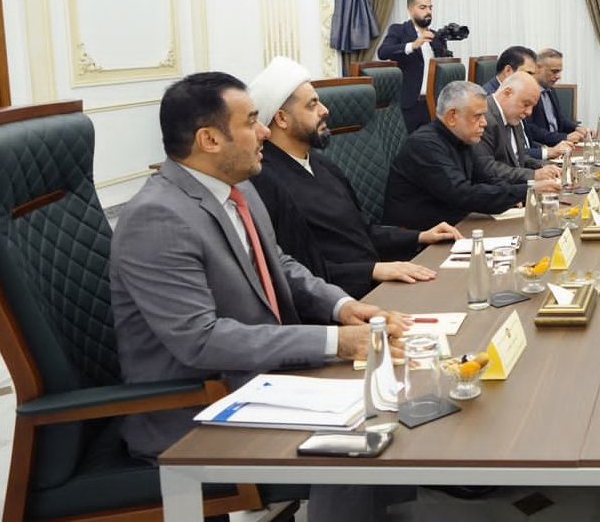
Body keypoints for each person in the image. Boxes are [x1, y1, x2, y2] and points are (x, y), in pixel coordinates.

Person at [109, 72, 408, 521]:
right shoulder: (157, 217)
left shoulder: (239, 188)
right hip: (197, 406)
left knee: (389, 393)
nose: (266, 131)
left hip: (257, 378)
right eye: (251, 121)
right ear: (210, 139)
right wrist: (334, 342)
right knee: (356, 437)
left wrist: (342, 306)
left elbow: (279, 263)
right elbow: (201, 340)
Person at [247, 57, 460, 300]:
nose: (325, 110)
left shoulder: (322, 164)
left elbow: (363, 231)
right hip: (339, 301)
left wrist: (421, 236)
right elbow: (297, 271)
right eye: (312, 105)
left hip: (376, 283)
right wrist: (373, 271)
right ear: (282, 119)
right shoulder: (265, 182)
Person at [383, 80, 546, 230]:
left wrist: (513, 196)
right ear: (452, 117)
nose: (484, 122)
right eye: (478, 116)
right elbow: (462, 194)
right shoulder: (425, 145)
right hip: (420, 238)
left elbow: (486, 178)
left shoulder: (462, 139)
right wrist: (527, 190)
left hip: (456, 224)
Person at [377, 0, 454, 133]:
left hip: (434, 104)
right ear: (410, 10)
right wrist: (413, 45)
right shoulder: (399, 30)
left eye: (430, 8)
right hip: (409, 104)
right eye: (423, 7)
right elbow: (383, 52)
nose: (428, 12)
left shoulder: (436, 36)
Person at [476, 72, 566, 183]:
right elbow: (488, 169)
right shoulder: (483, 117)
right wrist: (533, 175)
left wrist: (545, 167)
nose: (529, 112)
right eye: (526, 104)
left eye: (532, 106)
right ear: (507, 93)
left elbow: (518, 157)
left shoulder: (513, 116)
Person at [527, 48, 587, 149]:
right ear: (537, 68)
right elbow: (530, 129)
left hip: (560, 146)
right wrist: (564, 137)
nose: (558, 76)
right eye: (554, 71)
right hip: (542, 149)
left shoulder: (550, 89)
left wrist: (577, 128)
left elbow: (559, 119)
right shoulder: (526, 91)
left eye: (559, 72)